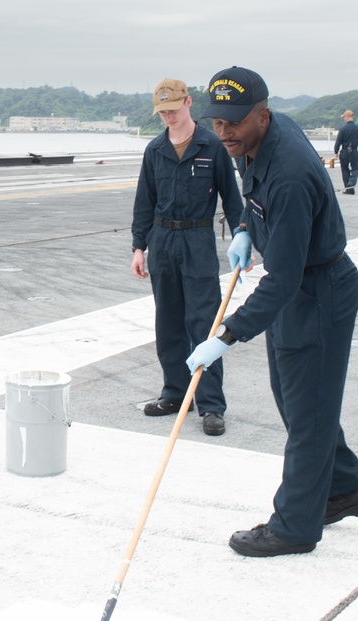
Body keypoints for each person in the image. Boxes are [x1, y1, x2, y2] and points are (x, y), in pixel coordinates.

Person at [190, 66, 358, 557]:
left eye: (236, 122)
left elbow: (285, 277)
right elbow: (256, 195)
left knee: (309, 411)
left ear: (264, 115)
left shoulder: (292, 173)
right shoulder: (256, 138)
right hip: (300, 290)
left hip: (318, 291)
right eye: (218, 122)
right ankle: (346, 488)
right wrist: (247, 228)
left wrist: (227, 335)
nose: (225, 132)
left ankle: (295, 525)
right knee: (296, 399)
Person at [131, 78, 244, 436]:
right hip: (162, 240)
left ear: (189, 103)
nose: (168, 117)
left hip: (197, 240)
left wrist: (244, 236)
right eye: (162, 112)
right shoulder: (155, 150)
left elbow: (232, 197)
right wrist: (139, 247)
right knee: (168, 323)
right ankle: (176, 393)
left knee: (203, 324)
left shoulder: (212, 145)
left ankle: (211, 404)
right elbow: (144, 202)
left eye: (173, 110)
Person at [334, 109, 358, 194]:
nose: (344, 118)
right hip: (354, 151)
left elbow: (338, 141)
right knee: (356, 168)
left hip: (344, 151)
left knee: (344, 170)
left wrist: (336, 152)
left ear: (347, 117)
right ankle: (351, 184)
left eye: (344, 117)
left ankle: (348, 188)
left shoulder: (342, 128)